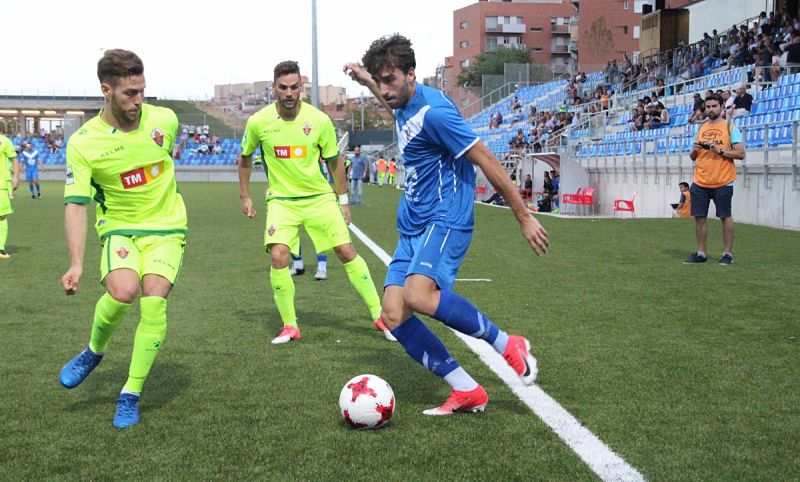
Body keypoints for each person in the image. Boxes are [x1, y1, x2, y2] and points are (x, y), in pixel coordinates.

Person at [345, 35, 549, 415]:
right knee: (392, 313)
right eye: (380, 81)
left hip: (445, 217)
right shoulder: (402, 102)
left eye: (390, 80)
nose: (385, 90)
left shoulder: (436, 112)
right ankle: (467, 389)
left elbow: (485, 157)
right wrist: (367, 81)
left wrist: (522, 215)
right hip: (412, 223)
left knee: (419, 296)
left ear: (411, 74)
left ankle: (507, 343)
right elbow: (395, 108)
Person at [58, 49, 187, 429]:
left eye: (142, 90)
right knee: (123, 291)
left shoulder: (166, 120)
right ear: (107, 90)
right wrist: (77, 262)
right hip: (119, 228)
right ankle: (94, 351)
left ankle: (130, 393)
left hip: (167, 227)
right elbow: (77, 204)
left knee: (154, 302)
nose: (139, 100)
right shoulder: (84, 143)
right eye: (130, 93)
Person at [238, 60, 393, 345]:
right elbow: (245, 158)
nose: (289, 93)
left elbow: (334, 162)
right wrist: (245, 195)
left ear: (301, 88)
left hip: (319, 198)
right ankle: (290, 325)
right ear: (274, 88)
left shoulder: (319, 120)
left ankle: (380, 315)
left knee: (346, 251)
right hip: (282, 201)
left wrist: (343, 200)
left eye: (294, 87)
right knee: (278, 255)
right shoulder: (259, 122)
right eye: (283, 87)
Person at [685, 93, 745, 265]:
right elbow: (693, 156)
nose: (711, 109)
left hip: (723, 180)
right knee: (699, 217)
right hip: (700, 180)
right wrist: (695, 150)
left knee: (725, 216)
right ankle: (701, 253)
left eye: (714, 106)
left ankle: (727, 254)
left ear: (721, 106)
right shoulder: (701, 128)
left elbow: (740, 153)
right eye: (708, 106)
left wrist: (719, 151)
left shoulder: (730, 128)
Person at [0, 133, 19, 259]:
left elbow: (14, 159)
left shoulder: (4, 141)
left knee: (1, 216)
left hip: (1, 184)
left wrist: (15, 177)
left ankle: (0, 248)